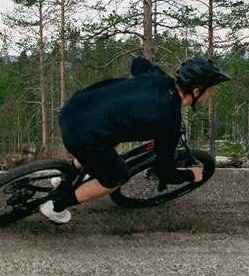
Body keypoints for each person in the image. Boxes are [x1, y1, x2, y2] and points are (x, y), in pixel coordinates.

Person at [38, 54, 229, 223]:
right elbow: (165, 172)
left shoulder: (159, 78)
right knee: (117, 176)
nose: (210, 95)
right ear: (196, 91)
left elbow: (138, 63)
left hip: (74, 108)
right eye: (209, 91)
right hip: (83, 135)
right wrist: (191, 175)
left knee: (108, 137)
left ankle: (67, 176)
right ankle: (56, 205)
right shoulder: (168, 120)